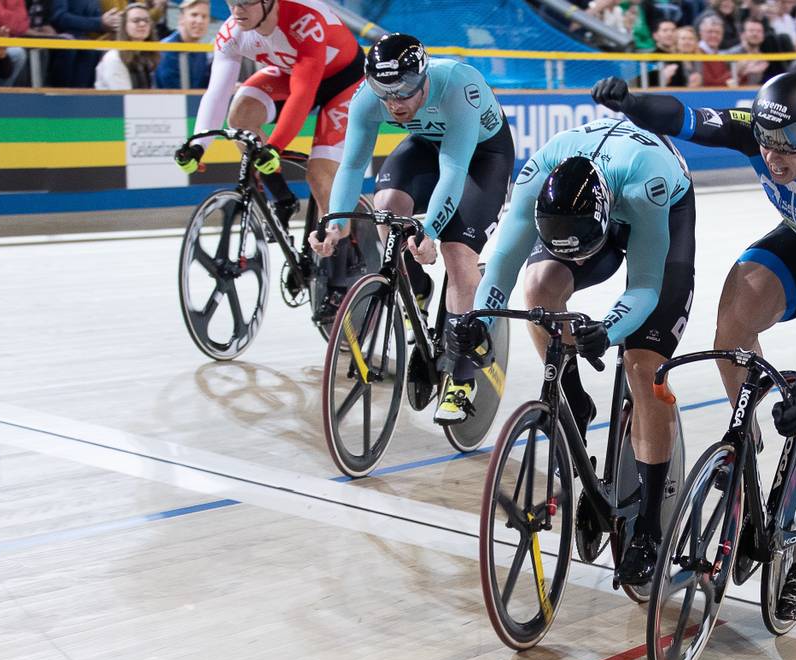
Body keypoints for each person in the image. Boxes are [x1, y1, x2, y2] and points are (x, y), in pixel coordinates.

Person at [591, 73, 796, 621]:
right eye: (766, 144)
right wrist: (633, 104)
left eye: (788, 150)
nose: (773, 157)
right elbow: (686, 119)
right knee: (731, 327)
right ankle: (745, 439)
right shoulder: (763, 131)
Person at [449, 115, 697, 585]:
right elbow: (500, 267)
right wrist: (476, 322)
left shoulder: (649, 184)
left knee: (643, 367)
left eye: (583, 252)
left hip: (657, 213)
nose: (579, 263)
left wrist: (607, 328)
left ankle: (647, 528)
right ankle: (574, 398)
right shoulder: (536, 177)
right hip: (582, 215)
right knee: (539, 287)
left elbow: (644, 287)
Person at [318, 34, 515, 424]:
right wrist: (335, 224)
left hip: (482, 157)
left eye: (405, 93)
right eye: (385, 94)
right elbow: (353, 165)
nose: (394, 104)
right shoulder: (367, 97)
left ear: (423, 77)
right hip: (427, 146)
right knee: (386, 207)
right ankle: (417, 290)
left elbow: (455, 170)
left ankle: (462, 380)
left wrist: (431, 231)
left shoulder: (458, 83)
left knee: (458, 255)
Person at [174, 0, 365, 248]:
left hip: (343, 82)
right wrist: (198, 145)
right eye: (232, 2)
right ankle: (282, 198)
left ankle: (339, 257)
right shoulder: (232, 32)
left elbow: (302, 95)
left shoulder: (304, 22)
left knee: (320, 175)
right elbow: (217, 93)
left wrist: (274, 146)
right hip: (292, 73)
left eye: (245, 2)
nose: (237, 10)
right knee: (241, 118)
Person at [95, 3, 158, 88]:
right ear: (124, 26)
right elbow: (123, 95)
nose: (142, 24)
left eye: (146, 20)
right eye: (136, 20)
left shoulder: (146, 57)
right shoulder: (114, 58)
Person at [155, 0, 211, 89]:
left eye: (204, 16)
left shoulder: (202, 52)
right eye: (194, 15)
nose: (200, 21)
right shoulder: (165, 49)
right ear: (181, 18)